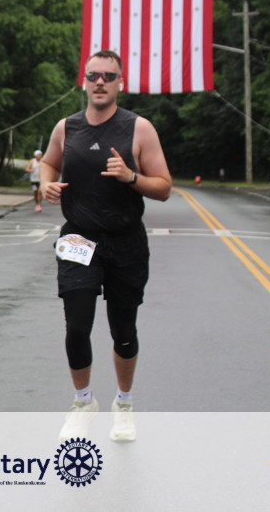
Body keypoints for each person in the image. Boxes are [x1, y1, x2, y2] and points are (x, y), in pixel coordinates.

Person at [39, 49, 171, 443]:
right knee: (77, 326)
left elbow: (164, 187)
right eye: (93, 75)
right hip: (78, 237)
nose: (100, 82)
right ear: (83, 82)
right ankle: (83, 402)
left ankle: (124, 404)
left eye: (108, 76)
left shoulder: (139, 129)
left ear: (119, 83)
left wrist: (131, 177)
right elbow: (48, 162)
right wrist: (46, 183)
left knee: (123, 330)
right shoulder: (66, 127)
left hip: (125, 241)